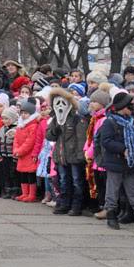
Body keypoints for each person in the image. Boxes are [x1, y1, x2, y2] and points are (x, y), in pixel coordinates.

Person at [98, 92, 134, 231]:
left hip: (132, 163)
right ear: (122, 107)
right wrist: (123, 149)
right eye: (129, 105)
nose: (132, 108)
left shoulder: (131, 122)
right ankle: (111, 215)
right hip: (116, 162)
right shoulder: (110, 122)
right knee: (113, 190)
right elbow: (106, 141)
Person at [46, 86, 88, 216]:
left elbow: (81, 138)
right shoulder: (55, 120)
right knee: (63, 181)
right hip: (61, 156)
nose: (59, 106)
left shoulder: (77, 119)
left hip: (74, 156)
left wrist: (81, 156)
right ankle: (64, 203)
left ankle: (77, 205)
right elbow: (49, 136)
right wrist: (54, 130)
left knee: (76, 181)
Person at [12, 98, 42, 202]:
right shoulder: (21, 125)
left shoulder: (33, 126)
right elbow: (16, 138)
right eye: (22, 113)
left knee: (30, 175)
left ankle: (32, 194)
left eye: (26, 113)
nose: (23, 115)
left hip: (28, 155)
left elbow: (30, 141)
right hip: (21, 154)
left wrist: (19, 151)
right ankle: (24, 193)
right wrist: (15, 149)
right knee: (23, 174)